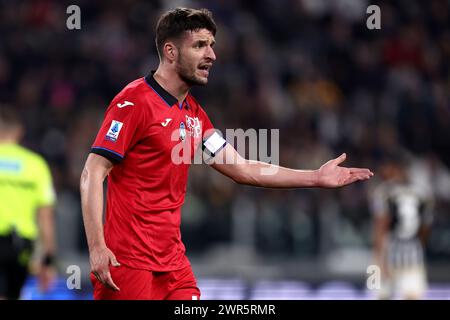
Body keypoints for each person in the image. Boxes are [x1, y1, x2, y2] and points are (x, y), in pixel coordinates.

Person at [80, 7, 374, 300]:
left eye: (211, 46)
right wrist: (96, 247)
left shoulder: (194, 116)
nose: (211, 55)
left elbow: (243, 168)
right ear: (170, 51)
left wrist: (315, 177)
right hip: (128, 263)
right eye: (199, 45)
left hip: (173, 265)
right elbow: (93, 172)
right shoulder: (134, 102)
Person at [0, 105, 57, 299]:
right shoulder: (35, 165)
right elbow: (46, 216)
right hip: (20, 246)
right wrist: (48, 260)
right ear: (19, 132)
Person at [371, 152, 434, 300]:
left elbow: (380, 227)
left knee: (381, 295)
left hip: (387, 252)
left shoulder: (384, 191)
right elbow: (425, 229)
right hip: (413, 253)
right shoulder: (423, 192)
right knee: (413, 296)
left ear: (395, 168)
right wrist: (418, 247)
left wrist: (379, 260)